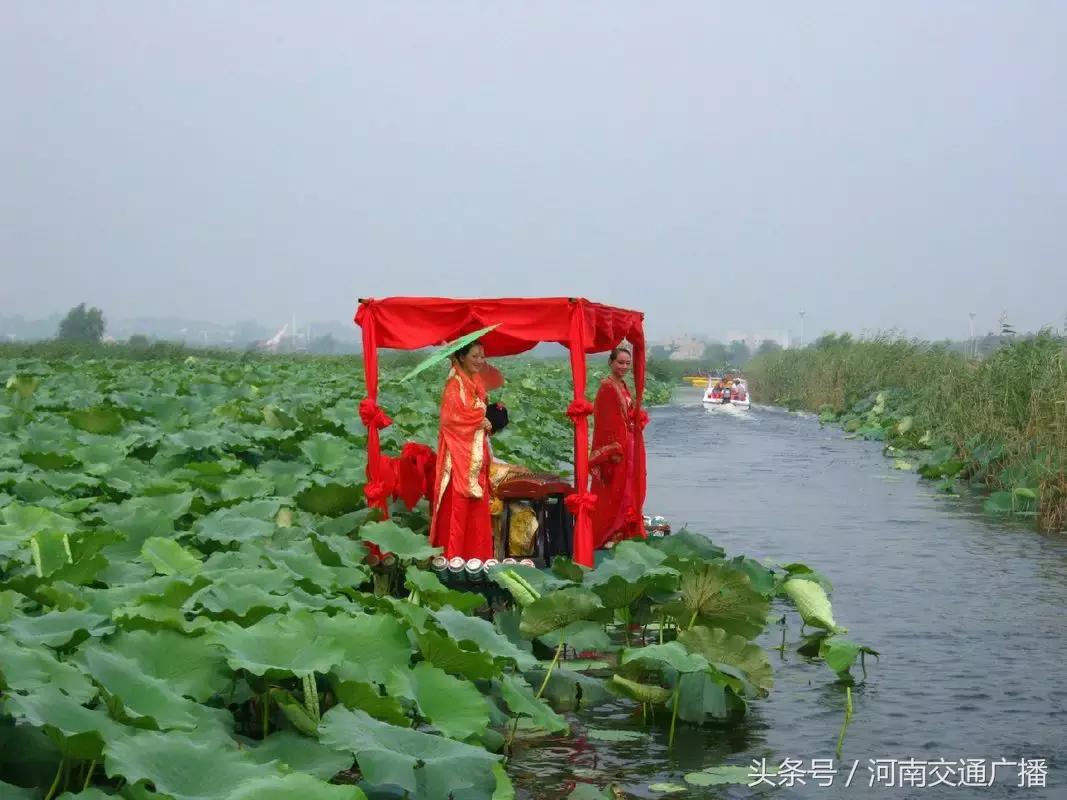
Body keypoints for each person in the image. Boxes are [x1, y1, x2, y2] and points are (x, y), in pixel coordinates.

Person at [429, 340, 494, 560]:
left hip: (475, 455)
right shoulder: (454, 384)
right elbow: (451, 419)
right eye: (475, 356)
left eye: (482, 356)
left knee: (475, 513)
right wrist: (480, 419)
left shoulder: (475, 382)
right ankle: (453, 560)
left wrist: (488, 421)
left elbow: (478, 412)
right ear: (462, 357)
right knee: (457, 509)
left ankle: (476, 561)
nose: (479, 361)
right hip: (458, 458)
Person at [589, 346, 644, 548]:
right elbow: (604, 421)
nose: (624, 366)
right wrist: (613, 448)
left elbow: (626, 413)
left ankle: (621, 531)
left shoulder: (622, 385)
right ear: (611, 363)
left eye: (628, 363)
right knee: (613, 489)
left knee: (626, 488)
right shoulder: (607, 386)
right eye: (620, 362)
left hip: (627, 442)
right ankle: (608, 533)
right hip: (616, 447)